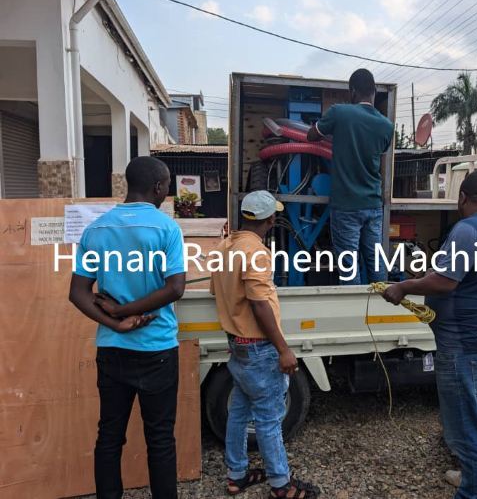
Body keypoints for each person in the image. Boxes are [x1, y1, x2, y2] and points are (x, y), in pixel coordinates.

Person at [382, 171, 477, 499]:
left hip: (465, 347)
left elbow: (446, 282)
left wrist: (404, 286)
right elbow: (467, 276)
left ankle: (475, 491)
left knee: (469, 431)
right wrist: (430, 275)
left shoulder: (467, 229)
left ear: (463, 198)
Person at [69, 156, 187, 499]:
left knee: (109, 436)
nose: (167, 192)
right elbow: (175, 288)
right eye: (167, 186)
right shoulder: (166, 229)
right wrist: (125, 313)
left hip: (112, 349)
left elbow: (78, 293)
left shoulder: (96, 230)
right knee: (160, 438)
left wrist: (116, 322)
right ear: (157, 187)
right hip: (157, 349)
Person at [210, 190, 320, 498]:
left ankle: (236, 476)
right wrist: (283, 349)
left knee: (239, 414)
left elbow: (217, 291)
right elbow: (259, 304)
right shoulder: (256, 252)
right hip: (259, 350)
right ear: (270, 220)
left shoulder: (224, 247)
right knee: (269, 420)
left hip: (238, 347)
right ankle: (281, 485)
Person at [308, 68, 394, 284]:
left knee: (349, 265)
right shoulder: (386, 126)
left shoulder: (339, 112)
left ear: (352, 91)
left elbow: (311, 136)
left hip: (346, 205)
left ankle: (353, 304)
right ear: (374, 91)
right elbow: (379, 155)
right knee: (376, 261)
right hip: (373, 205)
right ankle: (381, 302)